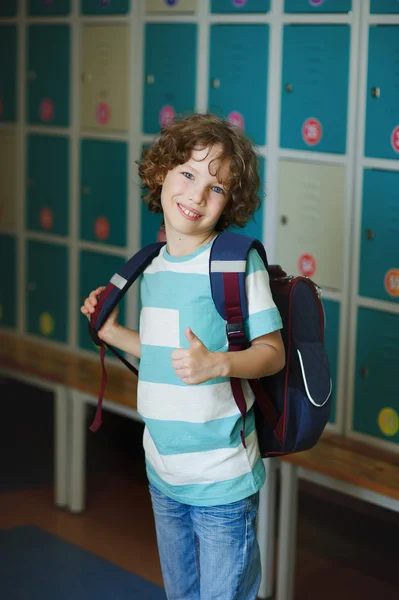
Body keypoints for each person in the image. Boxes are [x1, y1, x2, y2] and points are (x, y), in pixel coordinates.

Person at [81, 113, 285, 600]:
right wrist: (111, 331)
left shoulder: (237, 261)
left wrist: (220, 364)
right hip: (163, 470)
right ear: (161, 175)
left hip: (222, 479)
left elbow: (272, 352)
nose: (196, 196)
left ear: (230, 202)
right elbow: (164, 352)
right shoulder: (152, 264)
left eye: (216, 188)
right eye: (189, 174)